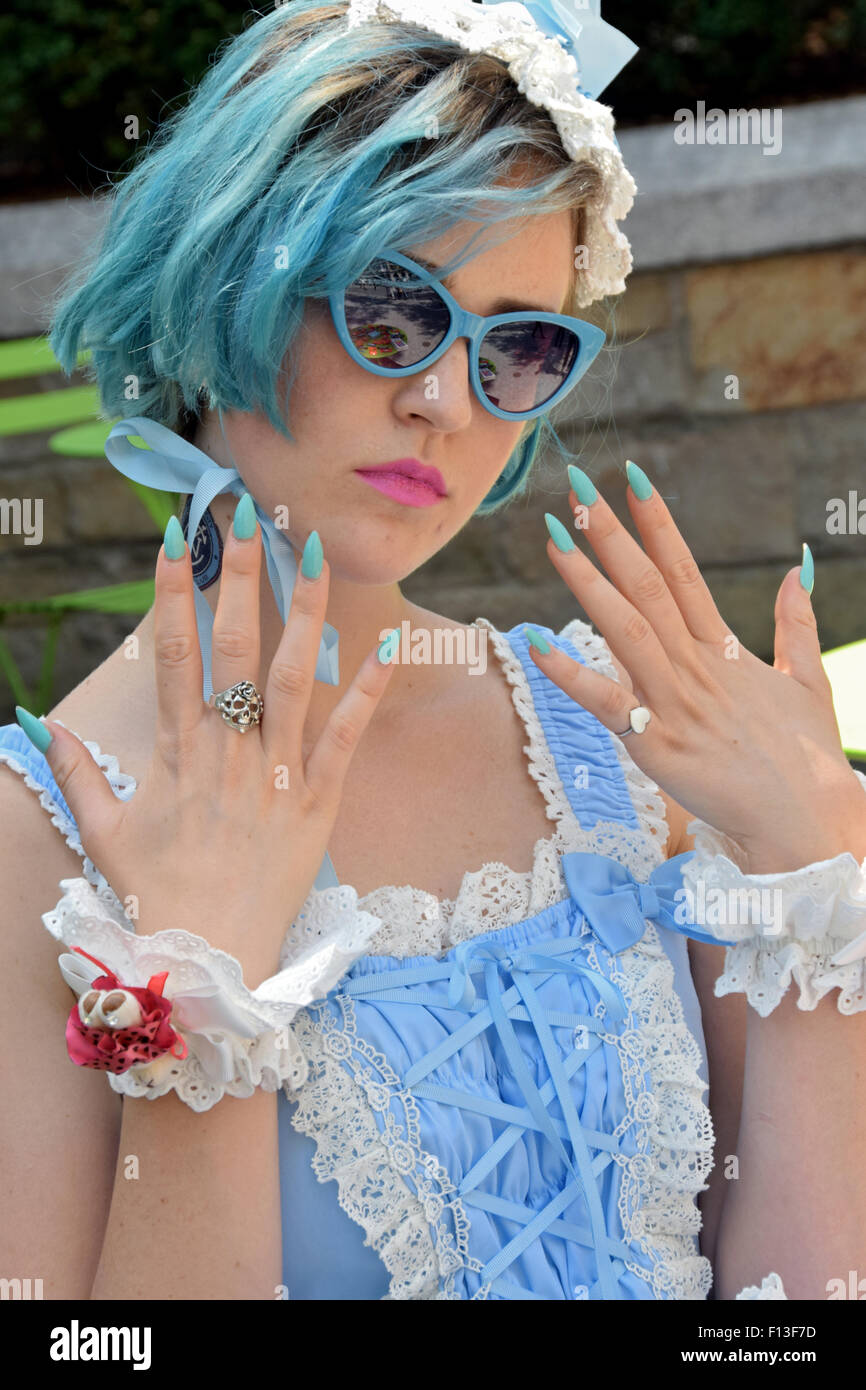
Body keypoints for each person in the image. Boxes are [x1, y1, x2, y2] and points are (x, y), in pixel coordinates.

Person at [2, 0, 866, 1303]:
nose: (443, 401)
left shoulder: (615, 735)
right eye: (392, 312)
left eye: (518, 343)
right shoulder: (38, 840)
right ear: (218, 276)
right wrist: (200, 1018)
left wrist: (812, 871)